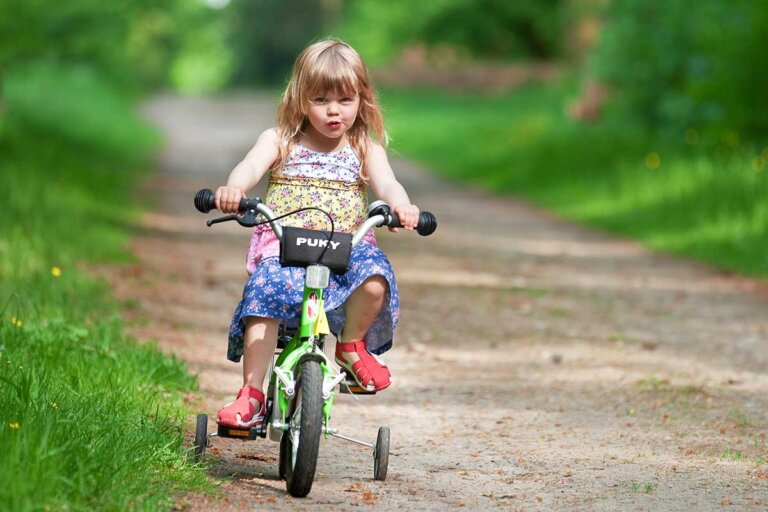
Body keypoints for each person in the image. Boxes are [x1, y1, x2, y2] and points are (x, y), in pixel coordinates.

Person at [214, 39, 420, 428]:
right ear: (300, 99)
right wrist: (234, 190)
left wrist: (402, 207)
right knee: (264, 294)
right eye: (321, 99)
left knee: (375, 279)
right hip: (286, 245)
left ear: (362, 99)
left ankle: (351, 347)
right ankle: (253, 393)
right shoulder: (280, 140)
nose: (333, 110)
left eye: (345, 99)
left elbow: (389, 185)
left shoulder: (364, 148)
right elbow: (249, 166)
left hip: (346, 246)